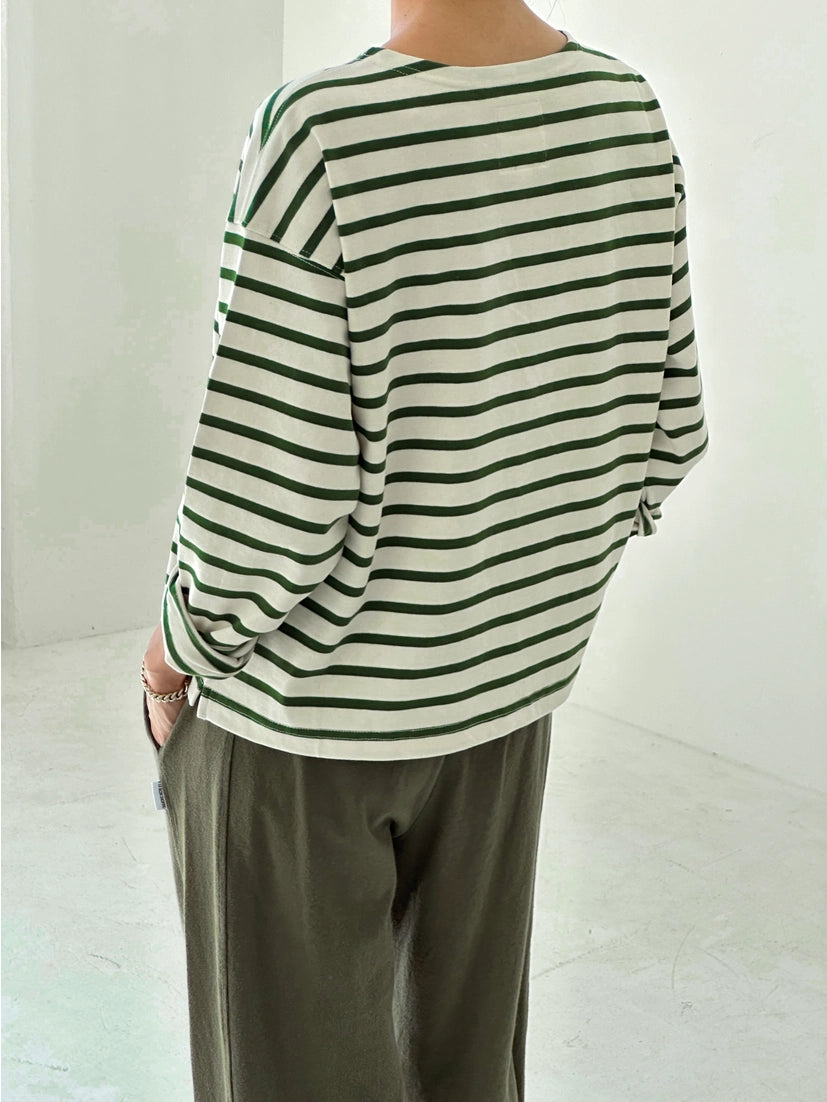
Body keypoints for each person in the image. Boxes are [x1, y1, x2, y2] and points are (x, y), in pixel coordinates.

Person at [140, 1, 710, 1098]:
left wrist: (173, 654)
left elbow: (273, 497)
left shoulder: (321, 131)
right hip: (506, 702)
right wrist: (518, 578)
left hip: (304, 729)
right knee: (465, 1068)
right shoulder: (622, 112)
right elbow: (668, 431)